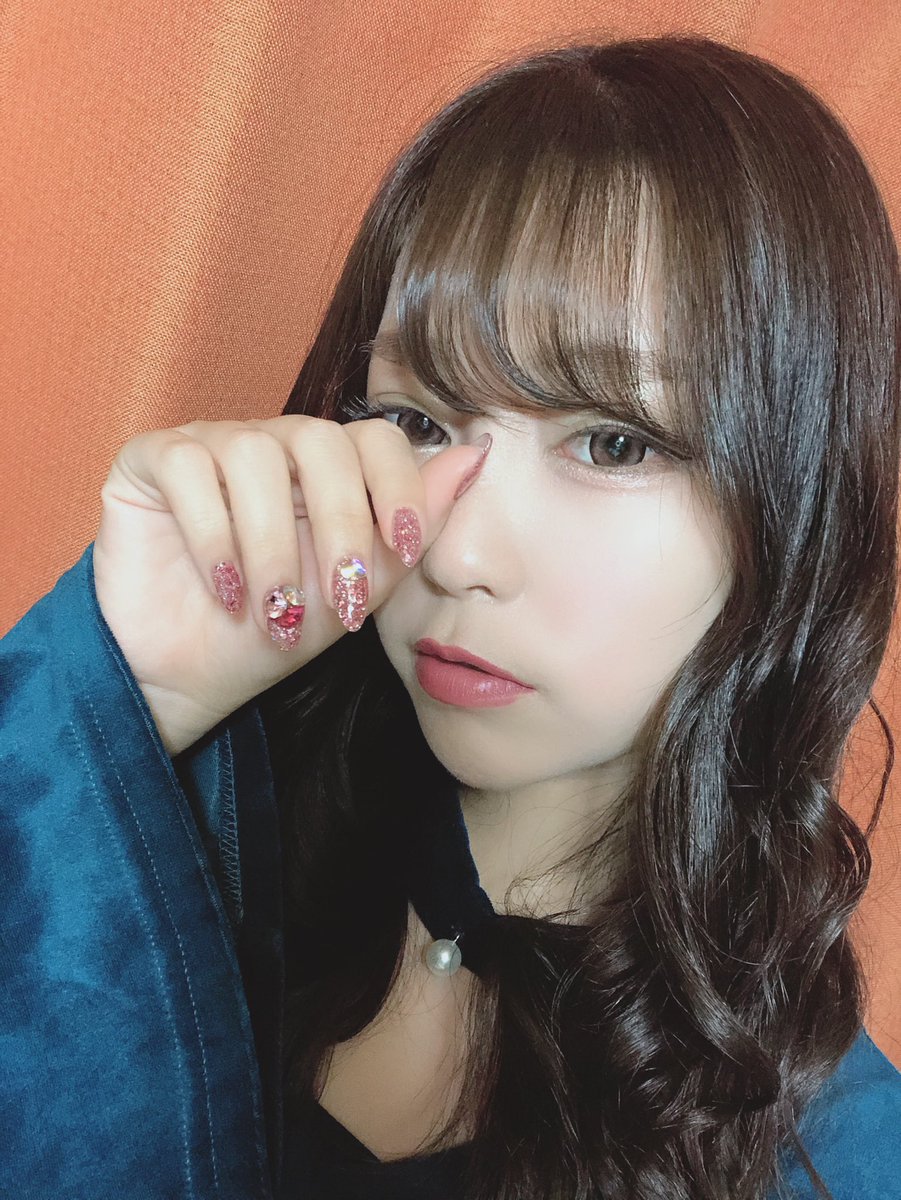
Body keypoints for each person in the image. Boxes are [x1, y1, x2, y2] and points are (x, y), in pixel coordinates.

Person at [2, 30, 901, 1200]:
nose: (460, 554)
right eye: (418, 421)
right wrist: (113, 705)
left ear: (799, 502)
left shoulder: (837, 1160)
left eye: (612, 443)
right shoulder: (203, 817)